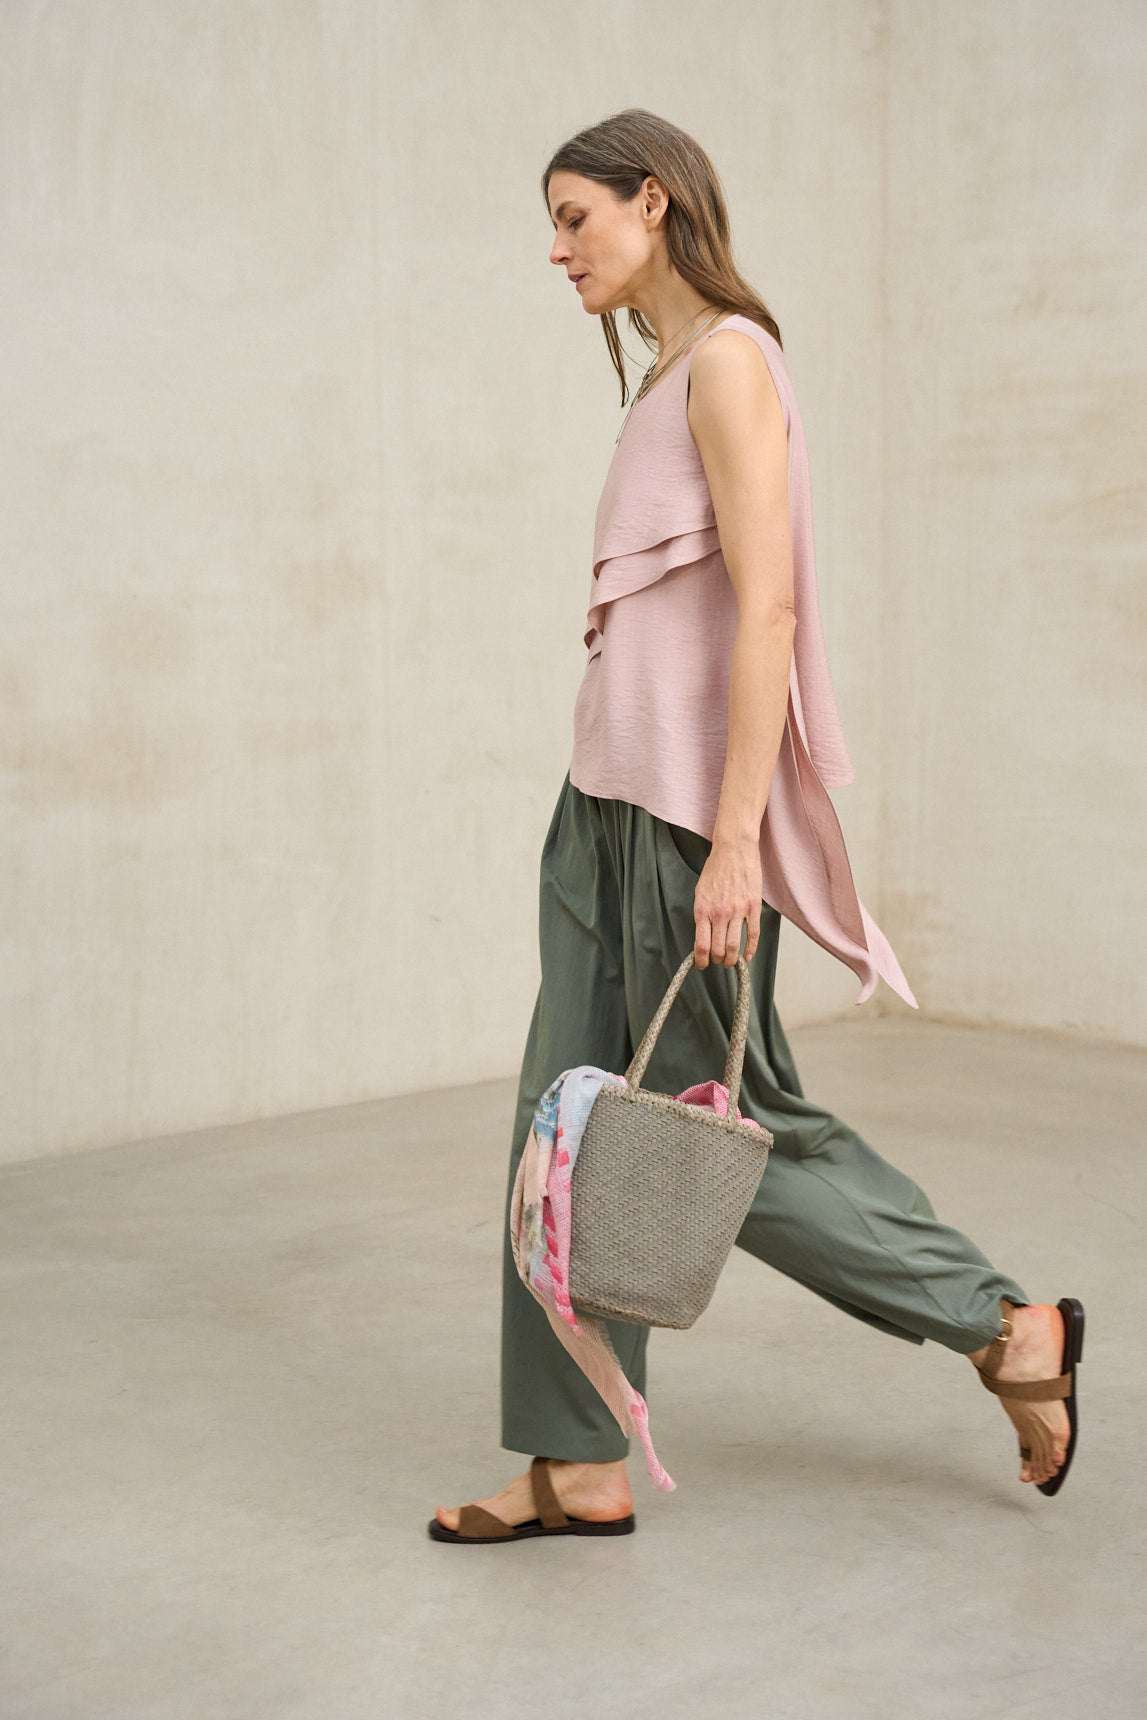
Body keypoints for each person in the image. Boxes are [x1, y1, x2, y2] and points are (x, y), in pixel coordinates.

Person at [430, 109, 1081, 1544]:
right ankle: (578, 1461)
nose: (557, 250)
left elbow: (768, 611)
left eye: (575, 217)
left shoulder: (729, 361)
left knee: (726, 1136)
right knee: (563, 1138)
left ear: (653, 202)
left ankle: (1005, 1327)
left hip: (682, 826)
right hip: (599, 812)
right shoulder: (665, 375)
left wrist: (735, 843)